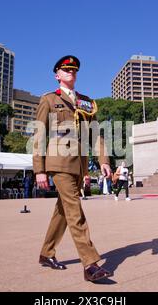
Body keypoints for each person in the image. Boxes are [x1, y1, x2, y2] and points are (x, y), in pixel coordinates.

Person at [33, 55, 112, 282]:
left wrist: (104, 160)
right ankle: (90, 264)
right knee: (75, 211)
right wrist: (39, 169)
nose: (71, 73)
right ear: (57, 75)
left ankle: (46, 254)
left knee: (63, 211)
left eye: (74, 71)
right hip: (58, 164)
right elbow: (39, 135)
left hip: (79, 165)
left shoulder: (86, 102)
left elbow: (95, 133)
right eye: (66, 70)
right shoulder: (49, 100)